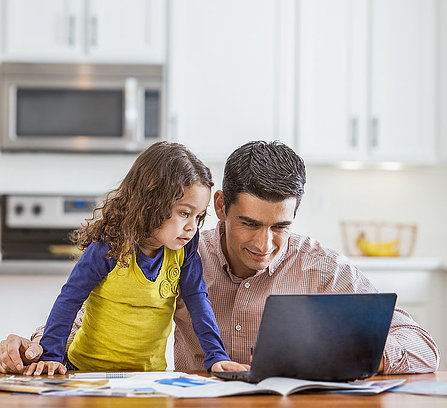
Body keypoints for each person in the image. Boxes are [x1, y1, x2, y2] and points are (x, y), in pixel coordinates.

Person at [0, 141, 440, 375]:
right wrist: (36, 347)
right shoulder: (186, 251)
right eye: (249, 223)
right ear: (221, 206)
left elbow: (423, 348)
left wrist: (366, 351)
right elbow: (100, 312)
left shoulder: (319, 266)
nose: (265, 245)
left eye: (280, 227)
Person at [3, 142, 247, 376]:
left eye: (198, 217)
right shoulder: (109, 245)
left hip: (147, 377)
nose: (192, 227)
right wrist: (52, 356)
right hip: (86, 371)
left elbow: (198, 301)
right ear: (153, 204)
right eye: (184, 213)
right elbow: (70, 298)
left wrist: (217, 356)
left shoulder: (185, 249)